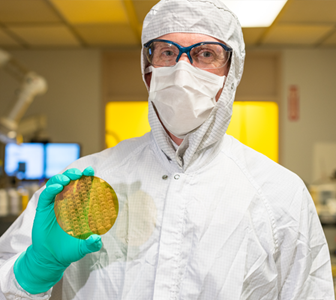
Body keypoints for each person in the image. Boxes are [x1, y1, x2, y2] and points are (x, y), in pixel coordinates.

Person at [0, 0, 334, 299]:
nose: (182, 69)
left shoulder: (280, 195)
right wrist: (33, 271)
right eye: (168, 52)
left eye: (206, 54)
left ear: (232, 73)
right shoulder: (84, 184)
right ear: (148, 70)